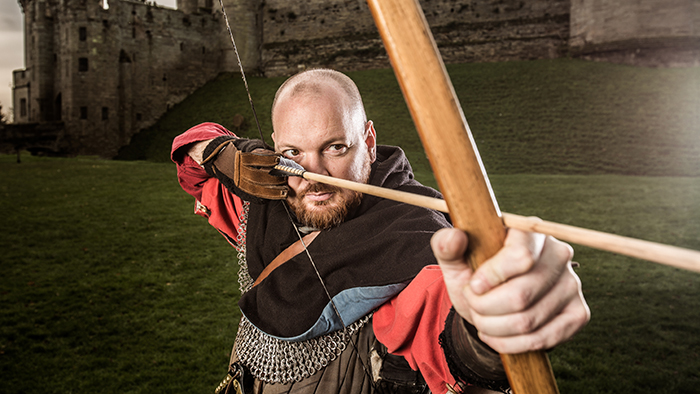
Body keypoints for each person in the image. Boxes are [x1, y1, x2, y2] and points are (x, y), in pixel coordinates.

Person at [171, 69, 590, 394]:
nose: (313, 175)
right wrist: (220, 153)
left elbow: (453, 333)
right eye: (293, 152)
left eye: (336, 147)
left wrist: (491, 324)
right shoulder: (265, 201)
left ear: (368, 141)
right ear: (275, 146)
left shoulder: (415, 238)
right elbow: (191, 160)